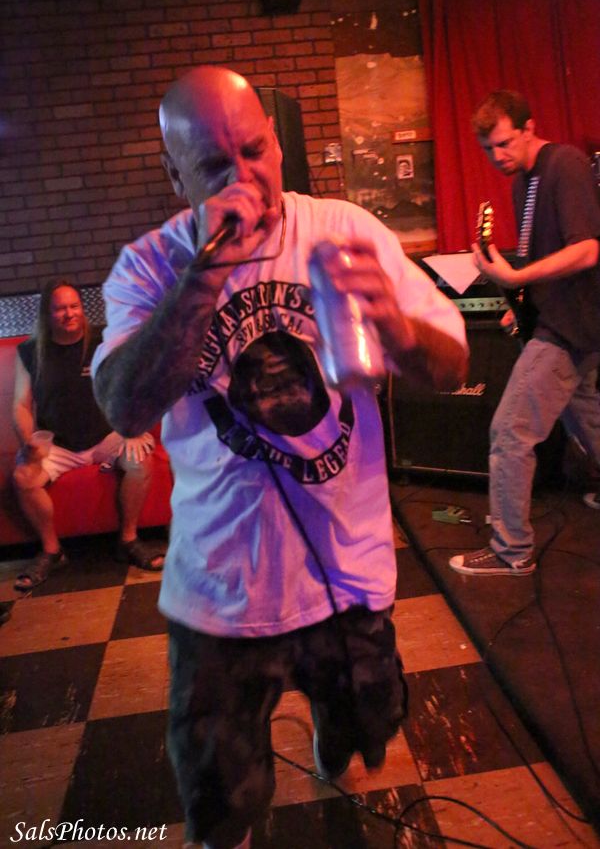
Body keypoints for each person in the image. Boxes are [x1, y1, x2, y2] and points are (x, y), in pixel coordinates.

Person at [91, 66, 468, 849]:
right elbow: (124, 405)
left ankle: (337, 744)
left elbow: (453, 366)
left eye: (255, 150)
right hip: (222, 591)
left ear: (277, 142)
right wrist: (203, 277)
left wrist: (399, 331)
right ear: (176, 177)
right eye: (213, 165)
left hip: (347, 574)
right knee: (220, 801)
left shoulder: (345, 229)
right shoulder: (150, 265)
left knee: (363, 734)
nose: (244, 178)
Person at [450, 90, 600, 577]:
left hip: (570, 328)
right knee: (589, 420)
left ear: (529, 127)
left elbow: (587, 249)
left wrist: (516, 277)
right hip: (559, 321)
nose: (497, 156)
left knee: (510, 432)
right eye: (488, 149)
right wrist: (521, 307)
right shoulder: (523, 185)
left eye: (504, 143)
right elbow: (544, 262)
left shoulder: (566, 165)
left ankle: (511, 550)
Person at [12, 279, 166, 591]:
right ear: (47, 314)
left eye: (74, 306)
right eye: (60, 309)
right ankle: (52, 551)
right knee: (23, 478)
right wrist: (28, 440)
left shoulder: (104, 340)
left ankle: (128, 540)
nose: (69, 313)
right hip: (57, 443)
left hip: (105, 435)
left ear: (82, 309)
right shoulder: (30, 350)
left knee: (140, 463)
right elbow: (20, 404)